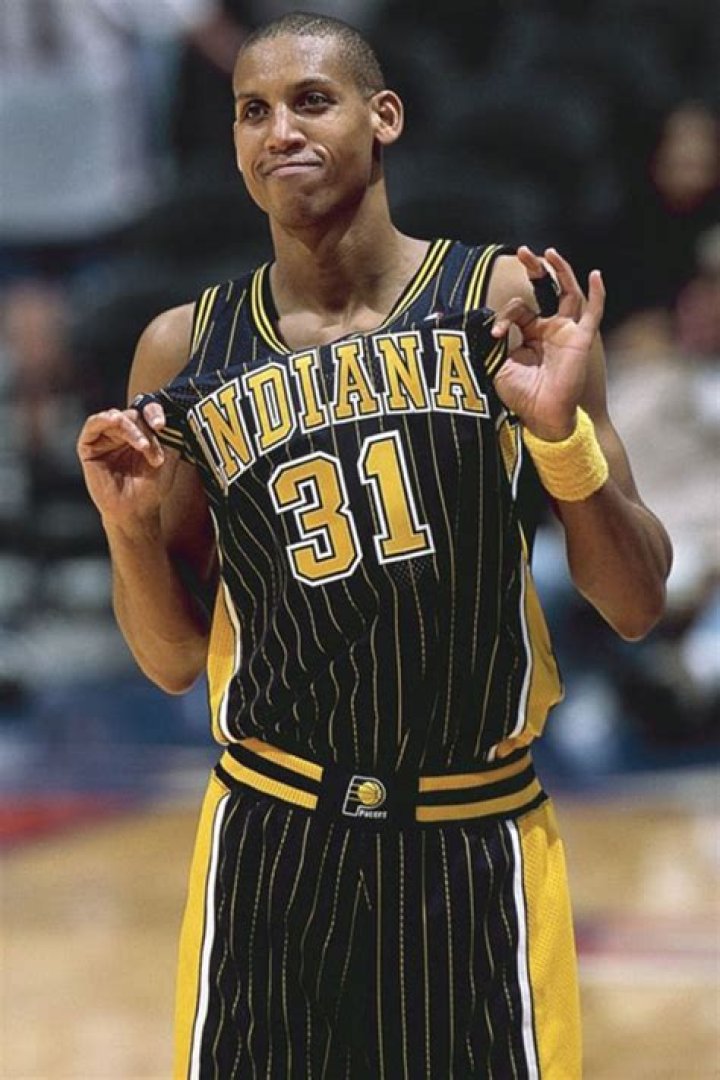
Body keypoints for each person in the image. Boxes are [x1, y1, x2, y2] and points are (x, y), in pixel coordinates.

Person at [76, 12, 673, 1078]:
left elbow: (634, 601)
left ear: (383, 115)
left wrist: (561, 441)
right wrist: (128, 533)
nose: (280, 132)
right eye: (252, 111)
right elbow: (171, 659)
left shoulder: (499, 305)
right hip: (271, 842)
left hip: (472, 842)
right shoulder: (184, 348)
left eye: (312, 101)